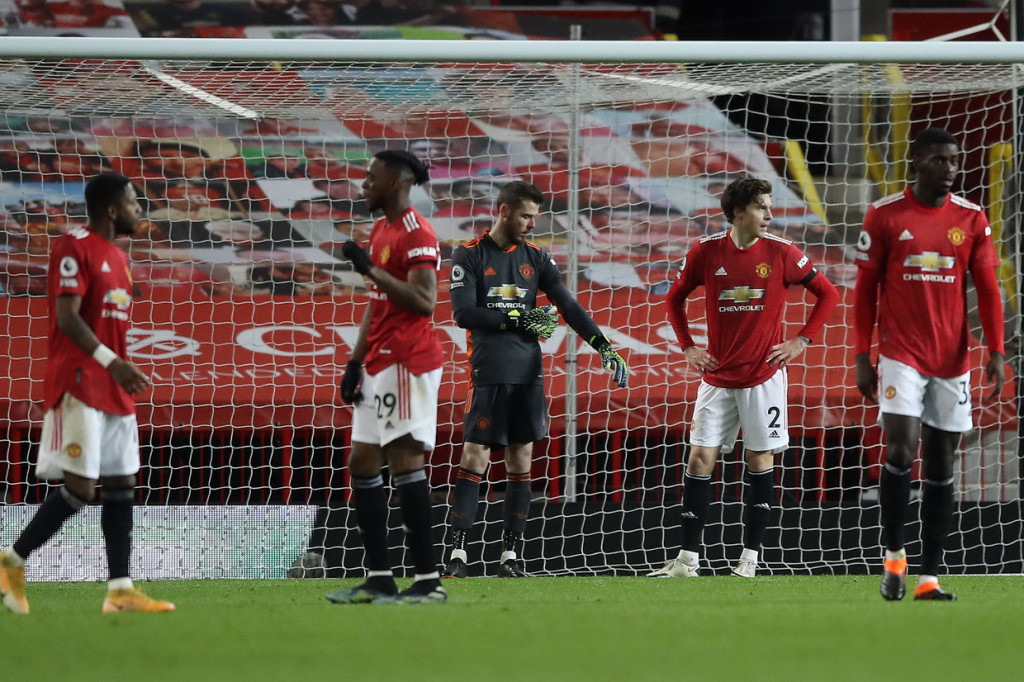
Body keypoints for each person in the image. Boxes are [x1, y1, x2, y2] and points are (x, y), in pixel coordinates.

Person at [0, 173, 174, 614]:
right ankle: (11, 561)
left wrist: (117, 367)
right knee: (80, 487)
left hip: (113, 387)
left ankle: (120, 591)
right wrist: (110, 361)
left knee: (121, 482)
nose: (140, 209)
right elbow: (66, 317)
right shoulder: (73, 245)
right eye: (135, 202)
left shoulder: (118, 255)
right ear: (113, 209)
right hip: (79, 380)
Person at [650, 177, 838, 579]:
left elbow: (828, 294)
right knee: (700, 458)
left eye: (769, 206)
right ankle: (687, 561)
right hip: (717, 377)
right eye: (760, 207)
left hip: (763, 377)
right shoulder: (706, 251)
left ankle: (748, 561)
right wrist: (687, 347)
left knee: (758, 459)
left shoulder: (783, 252)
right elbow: (674, 297)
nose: (769, 214)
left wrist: (801, 341)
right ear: (738, 213)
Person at [442, 180, 629, 579]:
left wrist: (604, 346)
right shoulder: (470, 254)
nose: (531, 223)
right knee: (474, 457)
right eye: (526, 215)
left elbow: (569, 306)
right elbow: (464, 314)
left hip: (528, 373)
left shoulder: (538, 259)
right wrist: (518, 317)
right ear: (504, 210)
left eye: (535, 216)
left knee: (521, 460)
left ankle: (511, 555)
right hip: (488, 371)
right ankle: (457, 552)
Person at [854, 127, 1005, 602]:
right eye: (940, 160)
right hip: (901, 354)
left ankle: (929, 578)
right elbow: (863, 294)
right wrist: (862, 355)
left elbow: (988, 290)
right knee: (901, 449)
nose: (949, 169)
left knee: (942, 462)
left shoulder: (972, 219)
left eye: (954, 162)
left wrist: (997, 351)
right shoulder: (883, 216)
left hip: (952, 359)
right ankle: (894, 559)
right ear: (916, 160)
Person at [324, 150, 447, 605]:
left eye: (371, 178)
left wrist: (368, 268)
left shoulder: (418, 232)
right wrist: (354, 361)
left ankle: (429, 581)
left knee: (405, 463)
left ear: (396, 183)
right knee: (361, 463)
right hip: (377, 360)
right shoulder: (381, 229)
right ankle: (379, 576)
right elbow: (377, 302)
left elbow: (424, 301)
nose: (363, 185)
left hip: (407, 361)